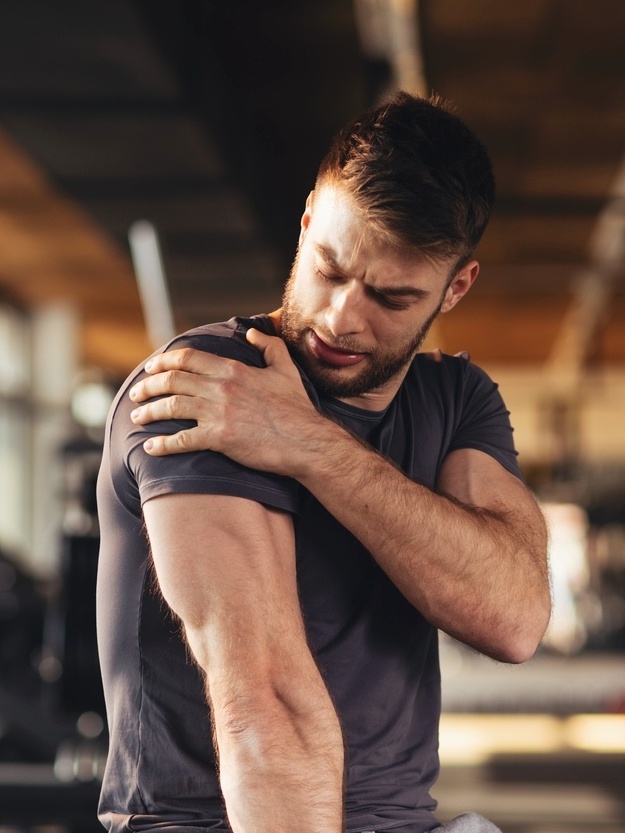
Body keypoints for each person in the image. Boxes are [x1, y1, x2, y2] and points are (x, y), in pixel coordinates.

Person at [96, 91, 551, 833]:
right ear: (307, 220)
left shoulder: (454, 398)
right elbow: (262, 702)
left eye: (390, 296)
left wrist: (307, 444)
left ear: (455, 287)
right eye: (329, 267)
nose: (342, 315)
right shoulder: (208, 384)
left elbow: (513, 617)